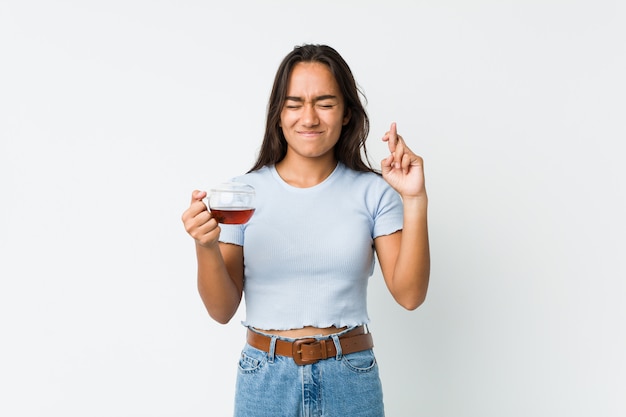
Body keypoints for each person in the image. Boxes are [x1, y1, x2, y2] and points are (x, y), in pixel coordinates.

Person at [181, 44, 430, 417]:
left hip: (349, 375)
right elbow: (221, 309)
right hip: (264, 377)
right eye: (294, 103)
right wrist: (205, 246)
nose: (309, 117)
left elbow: (410, 296)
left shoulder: (374, 192)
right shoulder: (242, 194)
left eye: (325, 103)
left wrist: (415, 200)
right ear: (278, 114)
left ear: (346, 113)